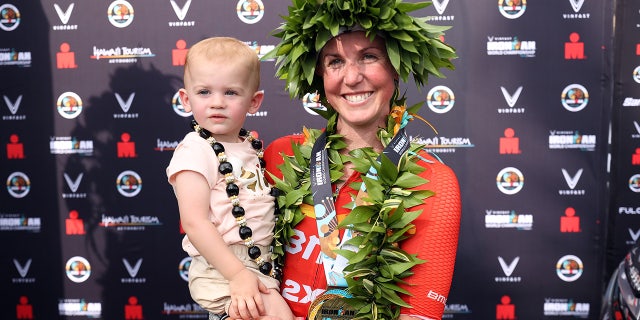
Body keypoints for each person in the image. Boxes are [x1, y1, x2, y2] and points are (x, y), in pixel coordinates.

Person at [239, 1, 462, 319]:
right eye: (335, 62)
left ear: (396, 66)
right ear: (319, 74)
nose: (352, 77)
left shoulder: (434, 180)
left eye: (369, 57)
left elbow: (420, 314)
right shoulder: (281, 154)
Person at [166, 37, 294, 320]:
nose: (217, 103)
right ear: (186, 99)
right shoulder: (195, 150)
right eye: (204, 92)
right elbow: (194, 222)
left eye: (231, 93)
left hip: (258, 265)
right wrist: (237, 275)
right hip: (224, 269)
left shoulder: (248, 146)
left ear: (254, 101)